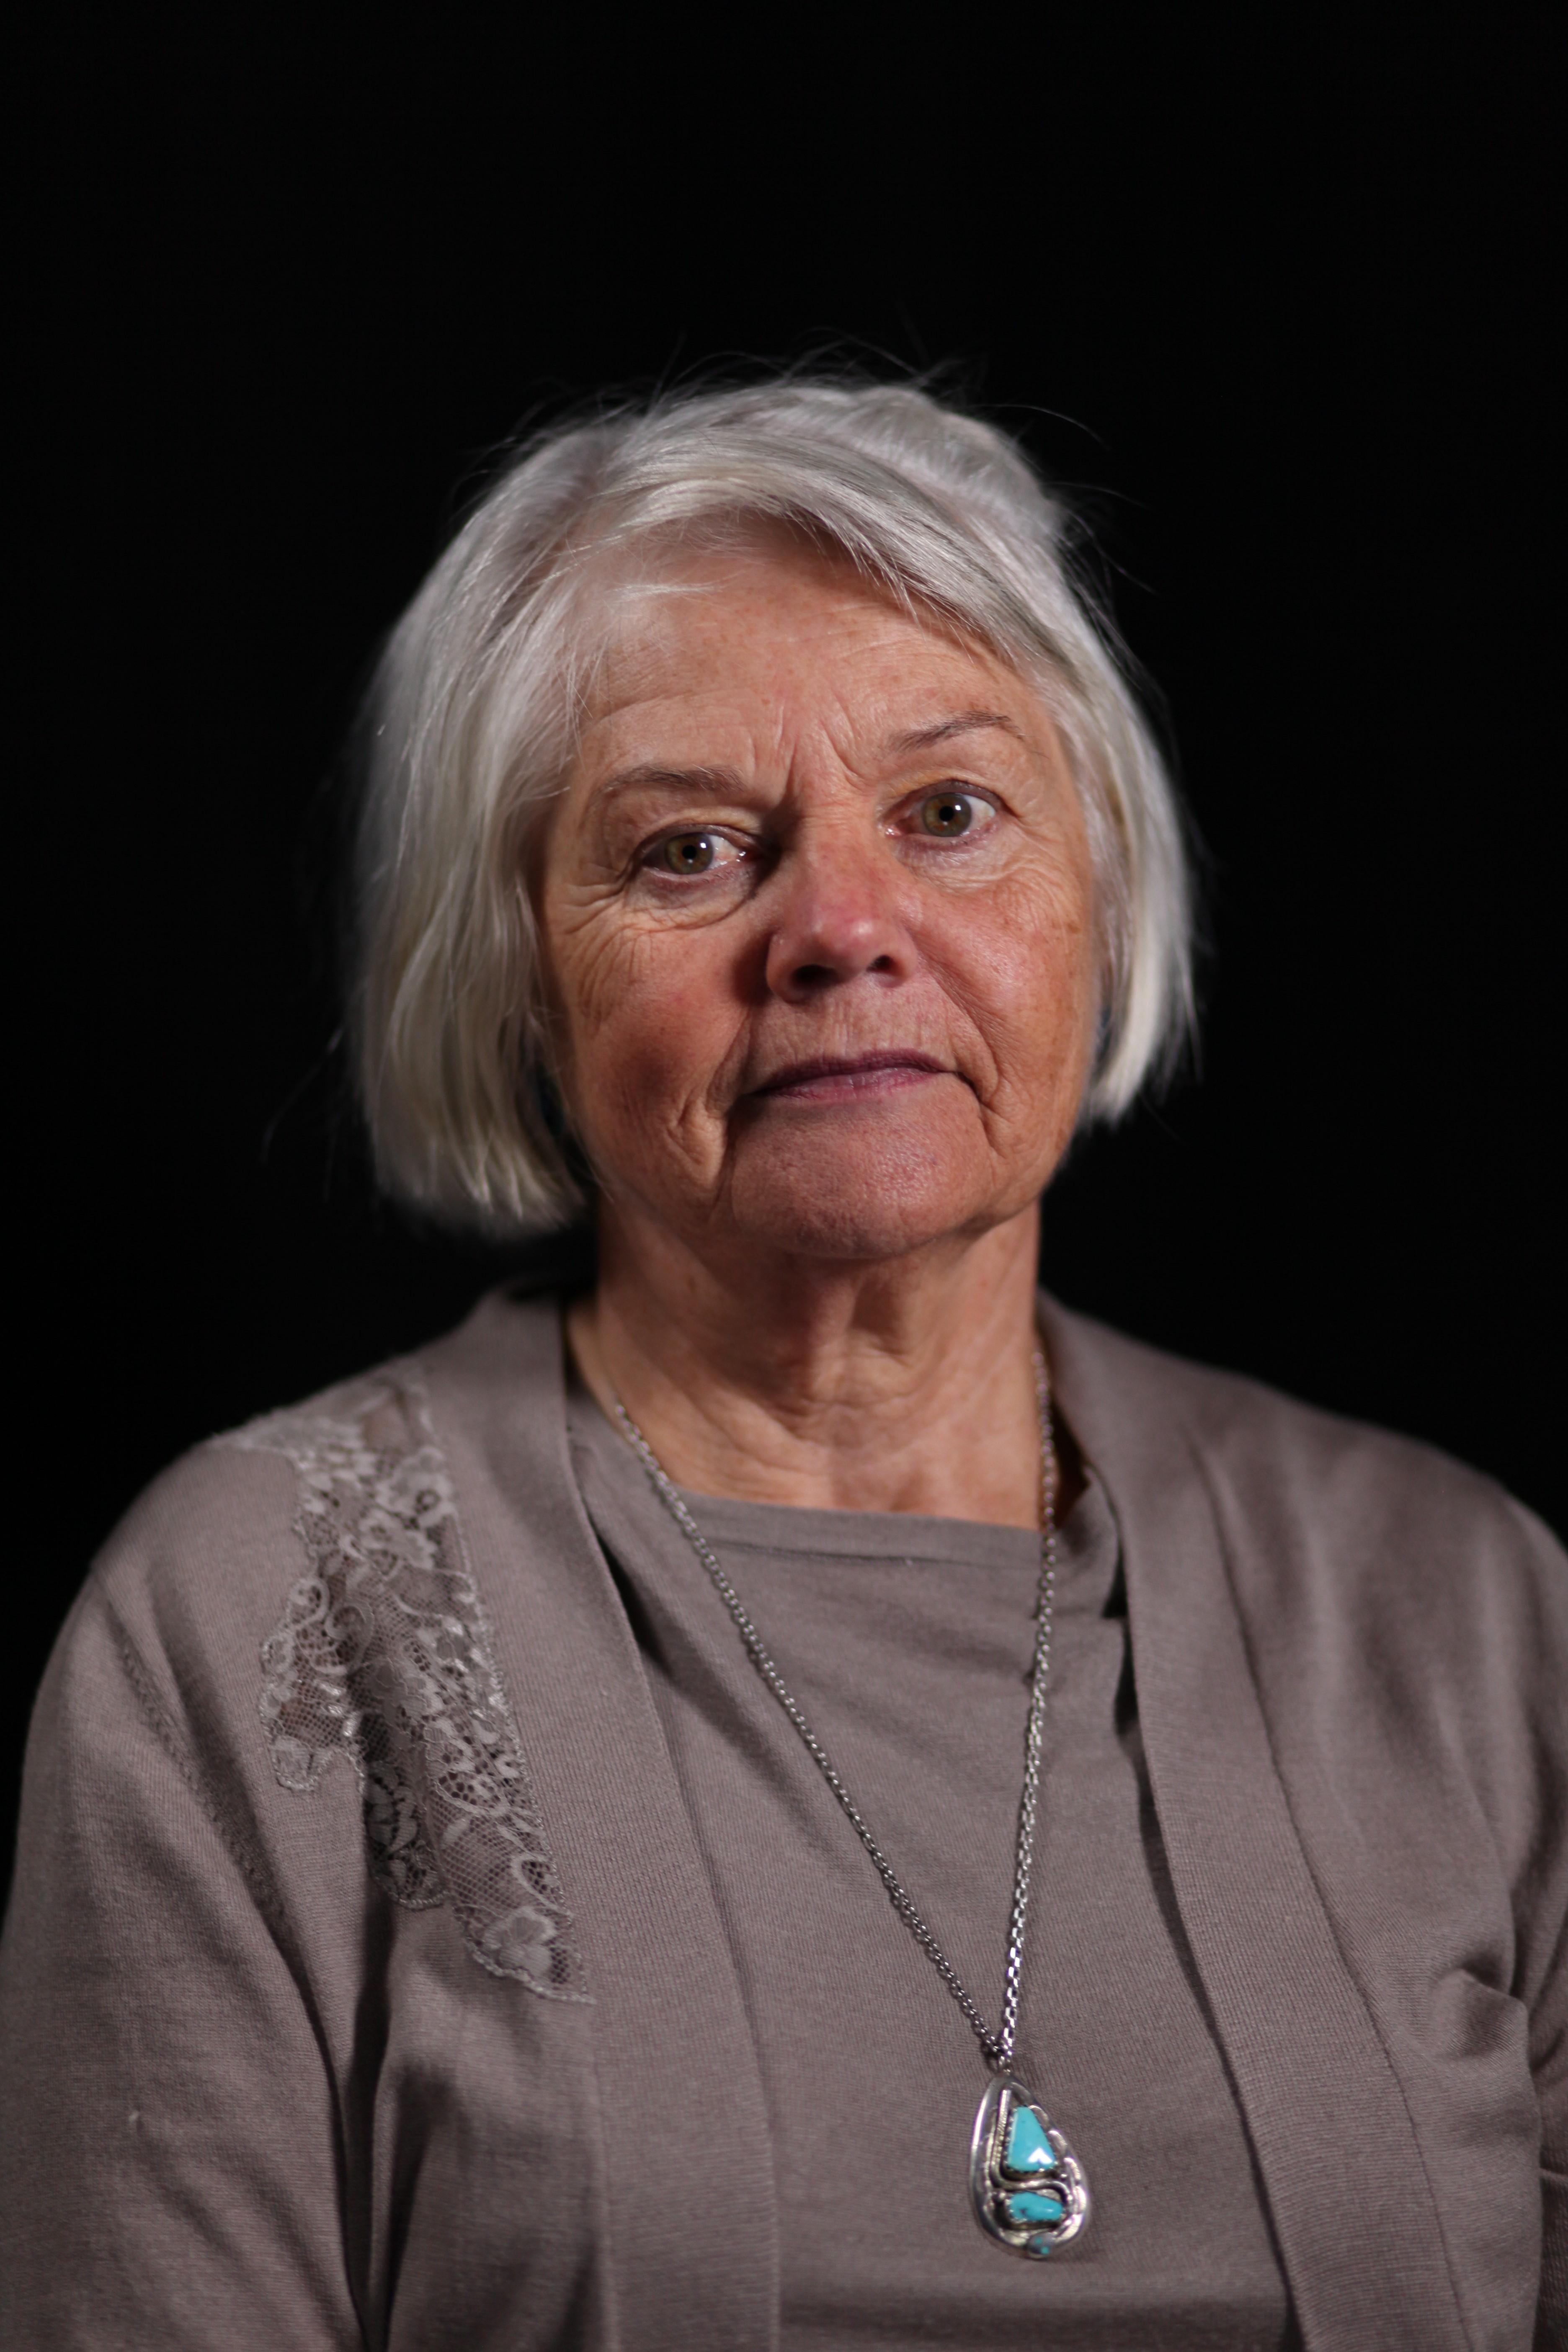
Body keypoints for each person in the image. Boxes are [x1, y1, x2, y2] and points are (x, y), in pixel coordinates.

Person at [2, 381, 1562, 2352]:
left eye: (950, 814)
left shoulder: (1467, 1610)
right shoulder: (249, 1619)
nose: (842, 928)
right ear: (519, 979)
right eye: (691, 850)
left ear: (1099, 890)